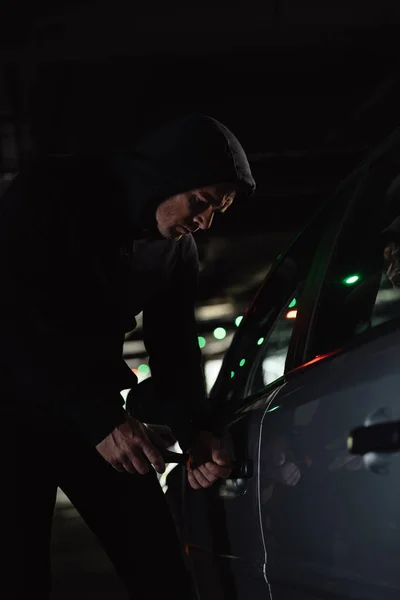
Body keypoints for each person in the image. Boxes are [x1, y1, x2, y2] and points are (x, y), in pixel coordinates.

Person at [0, 114, 255, 598]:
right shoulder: (50, 193)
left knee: (160, 567)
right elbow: (11, 321)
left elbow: (176, 351)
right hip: (10, 407)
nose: (203, 221)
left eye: (216, 211)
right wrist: (98, 417)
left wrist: (195, 430)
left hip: (91, 415)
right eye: (200, 202)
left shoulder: (177, 252)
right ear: (166, 176)